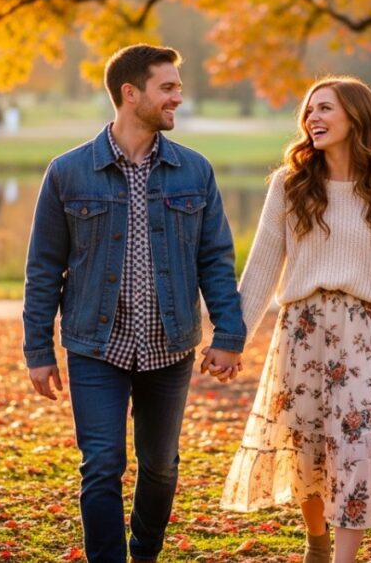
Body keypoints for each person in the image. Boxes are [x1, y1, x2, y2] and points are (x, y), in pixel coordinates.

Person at [23, 44, 245, 563]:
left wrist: (228, 336)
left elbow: (216, 259)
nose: (177, 99)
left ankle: (144, 554)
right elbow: (43, 268)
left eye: (177, 89)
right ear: (130, 93)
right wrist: (37, 350)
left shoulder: (195, 171)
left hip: (170, 348)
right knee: (101, 464)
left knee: (161, 465)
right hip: (95, 346)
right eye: (167, 88)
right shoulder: (68, 172)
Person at [221, 76, 371, 563]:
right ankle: (317, 542)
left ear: (356, 116)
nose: (313, 119)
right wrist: (231, 338)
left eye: (325, 109)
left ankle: (341, 559)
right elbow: (261, 266)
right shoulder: (290, 183)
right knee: (307, 446)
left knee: (359, 446)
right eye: (309, 111)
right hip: (303, 333)